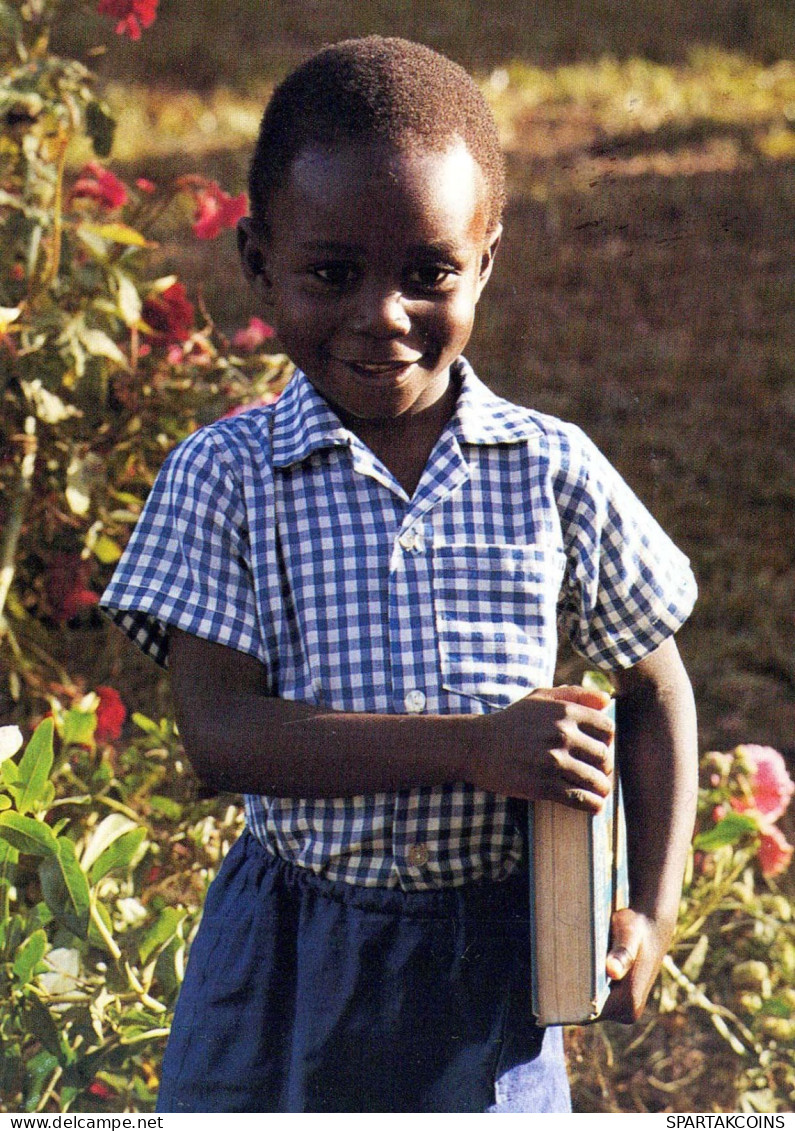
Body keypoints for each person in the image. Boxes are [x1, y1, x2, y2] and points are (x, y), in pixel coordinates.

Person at [101, 36, 699, 1113]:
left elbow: (655, 689)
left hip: (492, 969)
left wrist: (647, 909)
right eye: (333, 273)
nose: (382, 315)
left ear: (485, 265)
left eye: (428, 273)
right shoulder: (227, 478)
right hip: (289, 957)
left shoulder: (551, 470)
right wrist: (473, 750)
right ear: (257, 263)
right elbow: (219, 732)